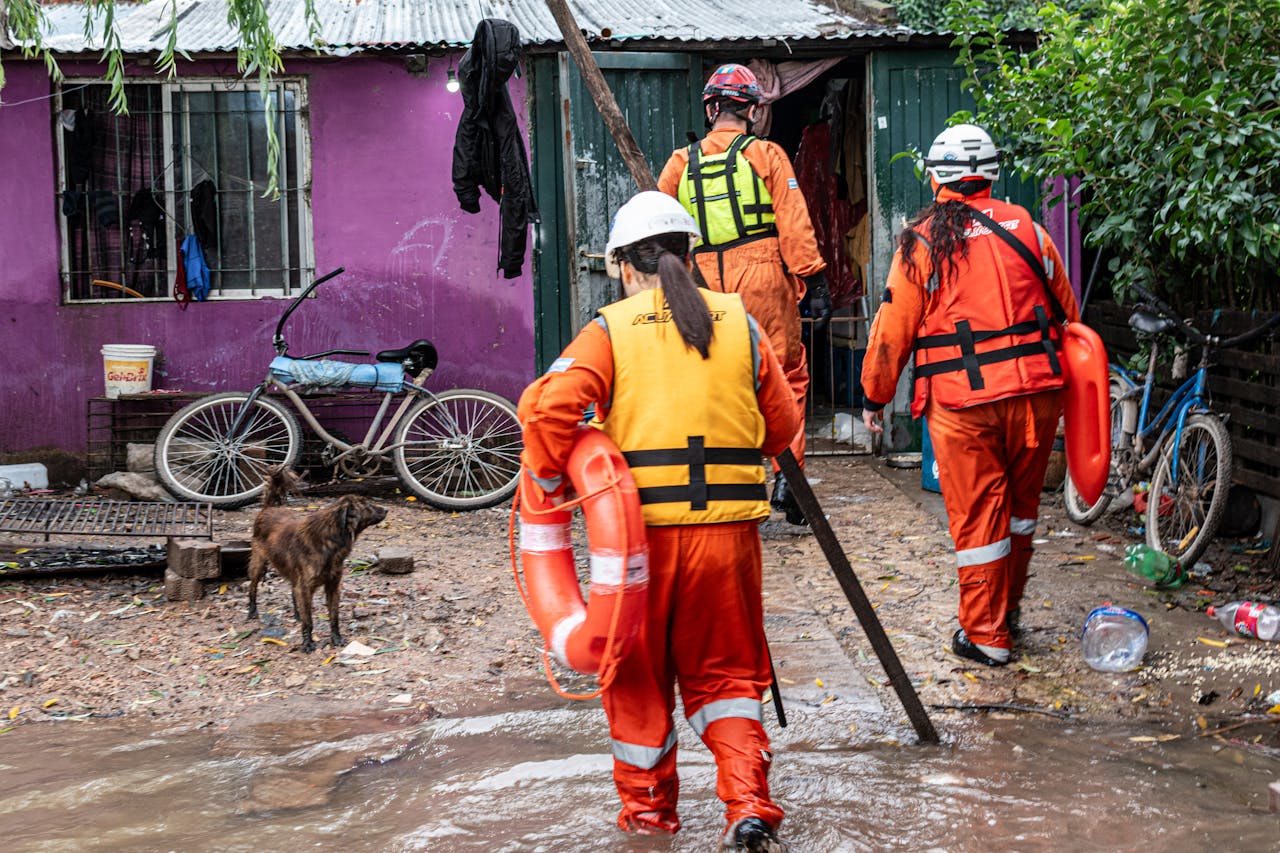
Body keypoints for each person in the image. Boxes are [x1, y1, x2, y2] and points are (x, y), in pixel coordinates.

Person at [518, 191, 796, 851]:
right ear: (690, 257)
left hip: (638, 551)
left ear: (621, 265)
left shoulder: (609, 331)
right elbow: (782, 427)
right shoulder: (740, 323)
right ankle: (748, 809)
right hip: (729, 545)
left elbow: (547, 413)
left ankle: (648, 825)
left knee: (638, 683)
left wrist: (552, 480)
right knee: (729, 681)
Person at [859, 124, 1080, 667]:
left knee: (980, 518)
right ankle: (1008, 613)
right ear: (992, 175)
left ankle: (985, 636)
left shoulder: (922, 242)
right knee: (1021, 511)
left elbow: (892, 331)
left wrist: (874, 396)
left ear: (936, 177)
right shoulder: (1030, 229)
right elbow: (1069, 314)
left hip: (965, 403)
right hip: (1036, 395)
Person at [657, 62, 831, 526]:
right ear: (752, 110)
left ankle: (720, 481)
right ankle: (788, 480)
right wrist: (814, 279)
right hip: (763, 278)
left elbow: (659, 227)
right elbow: (793, 222)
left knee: (713, 380)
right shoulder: (767, 155)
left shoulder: (680, 163)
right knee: (785, 377)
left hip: (701, 282)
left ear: (711, 109)